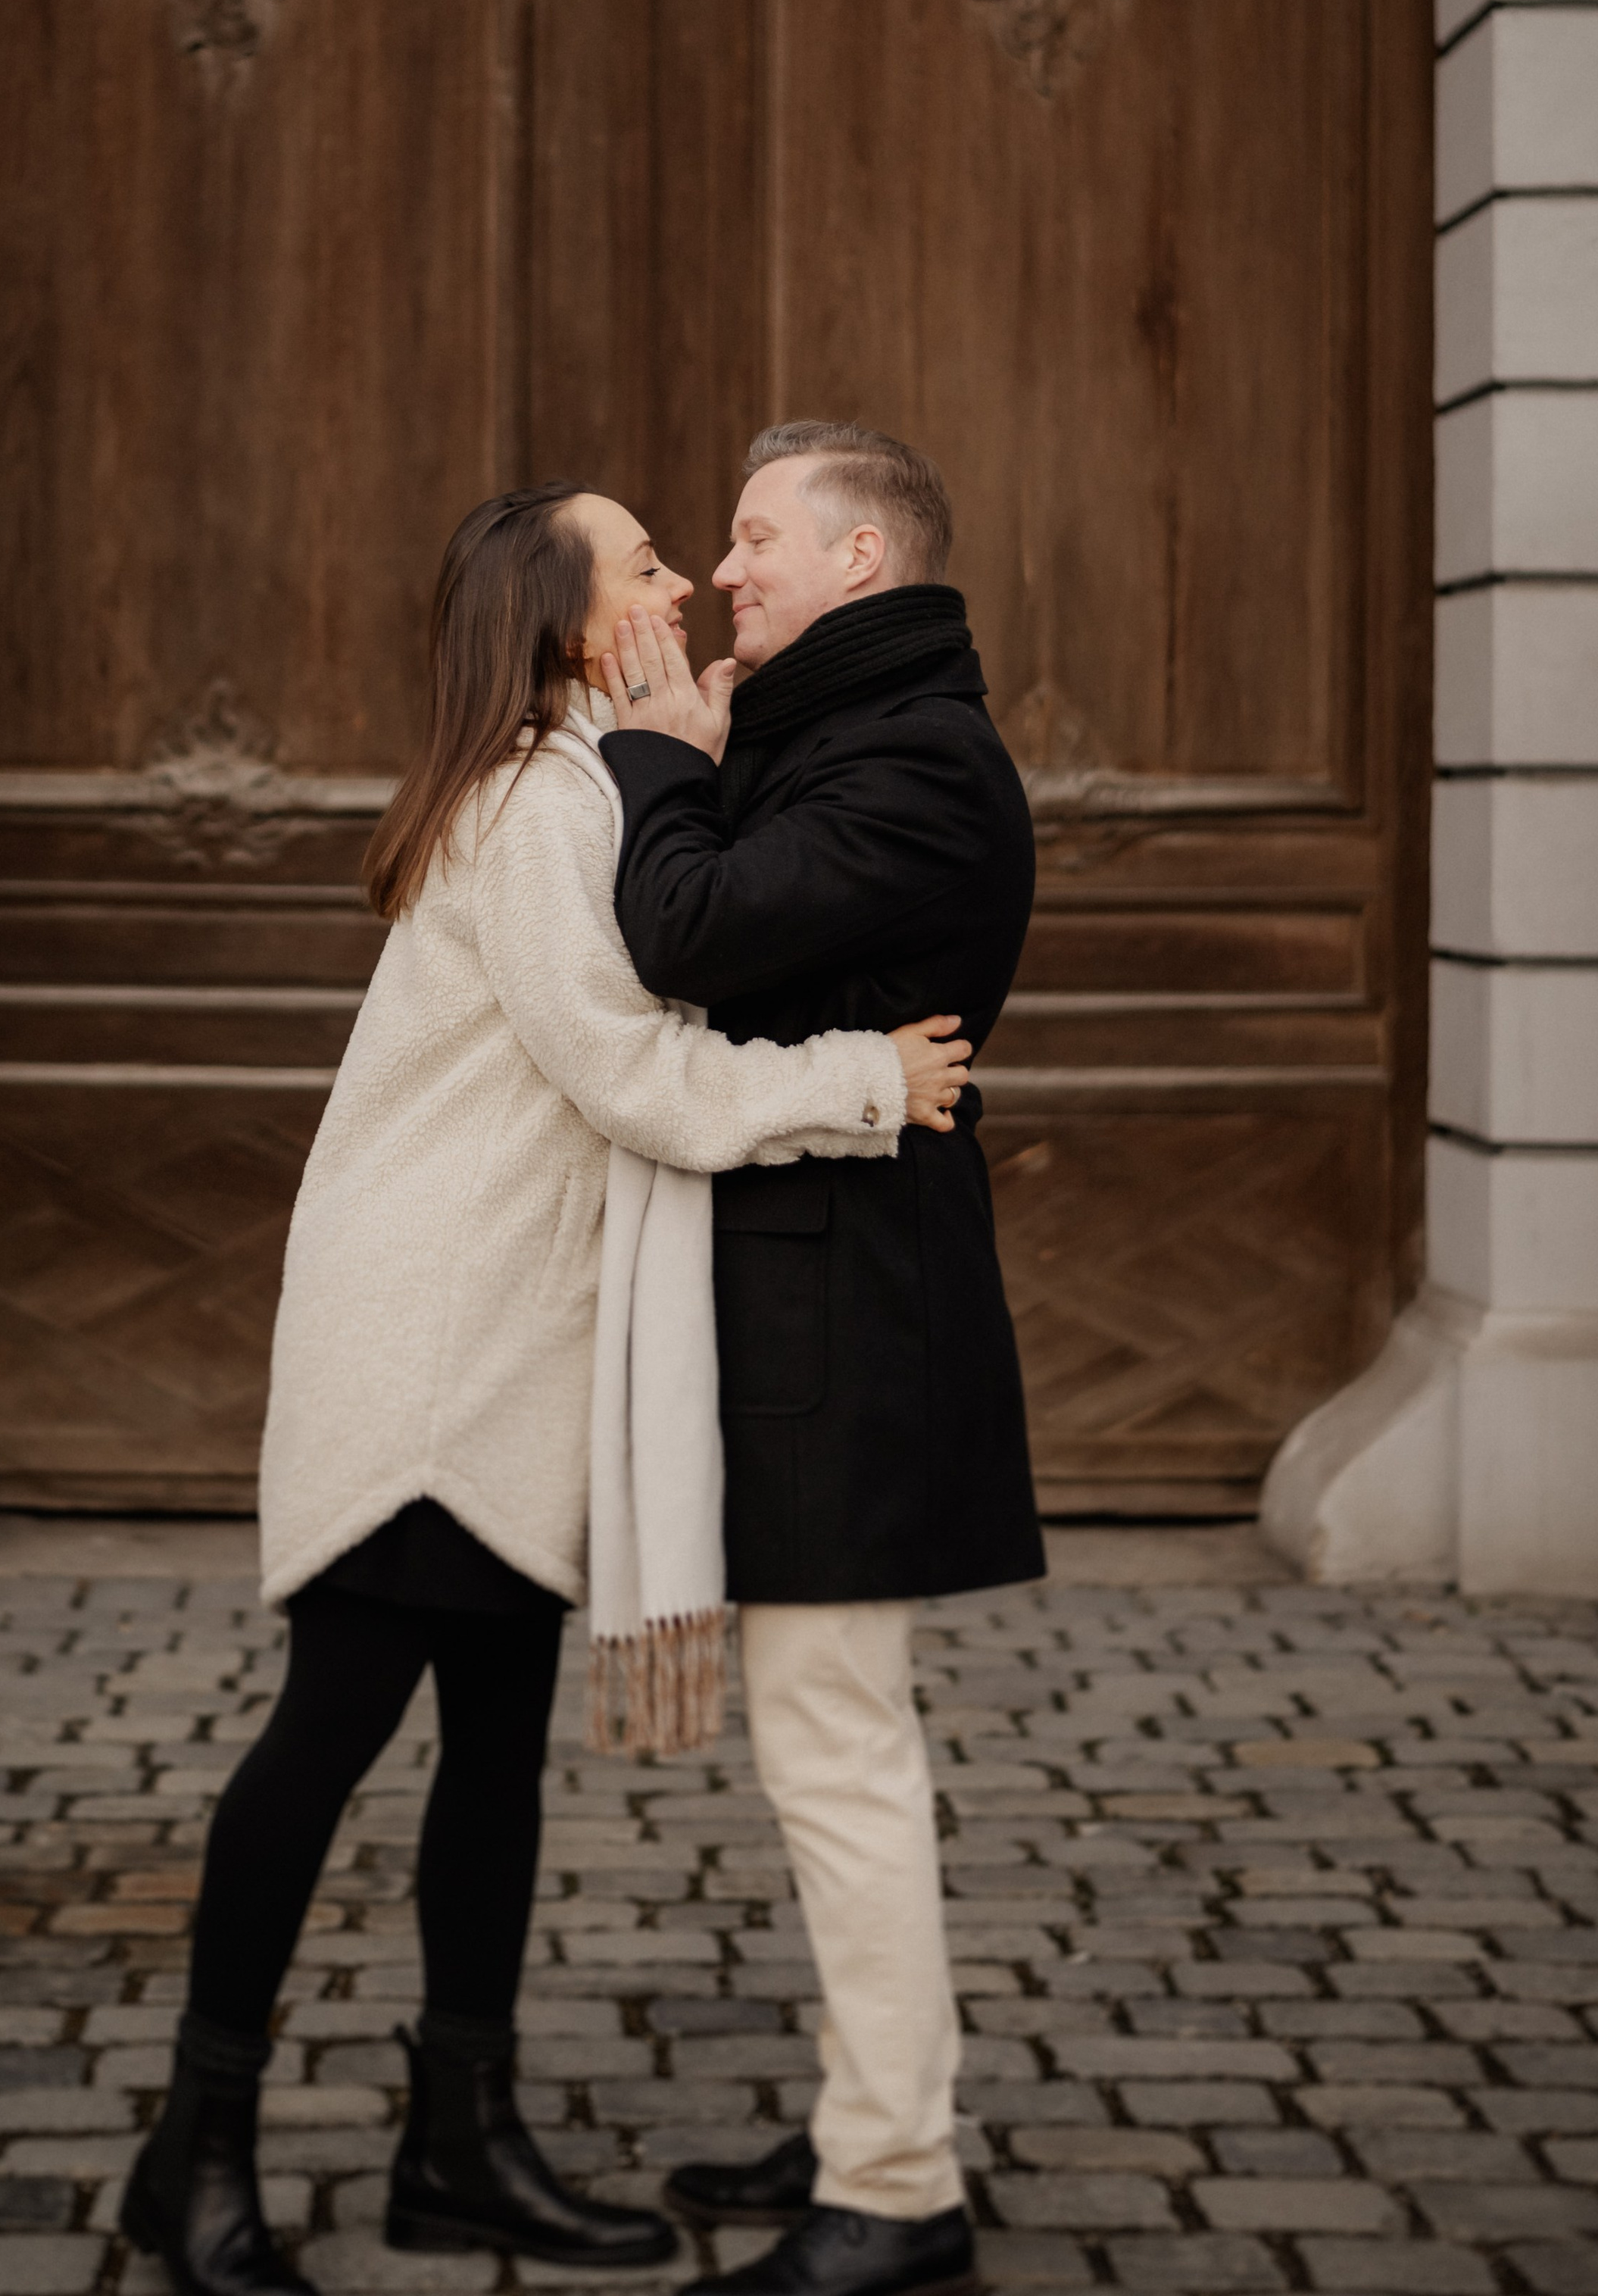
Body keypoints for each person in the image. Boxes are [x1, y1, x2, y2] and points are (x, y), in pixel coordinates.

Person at [120, 480, 978, 2296]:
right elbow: (631, 1072)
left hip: (515, 1361)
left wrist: (696, 756)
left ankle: (459, 2143)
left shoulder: (586, 785)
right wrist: (860, 1082)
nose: (684, 582)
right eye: (650, 565)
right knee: (326, 1736)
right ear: (576, 625)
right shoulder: (534, 801)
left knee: (494, 1756)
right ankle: (189, 2153)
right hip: (429, 1357)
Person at [597, 422, 1047, 2296]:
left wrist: (652, 757)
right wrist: (710, 757)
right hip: (802, 1298)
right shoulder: (832, 738)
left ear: (861, 558)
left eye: (758, 532)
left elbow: (687, 928)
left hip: (846, 1316)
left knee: (836, 1746)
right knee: (828, 1744)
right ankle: (877, 2099)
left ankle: (893, 2185)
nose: (723, 567)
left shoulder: (916, 762)